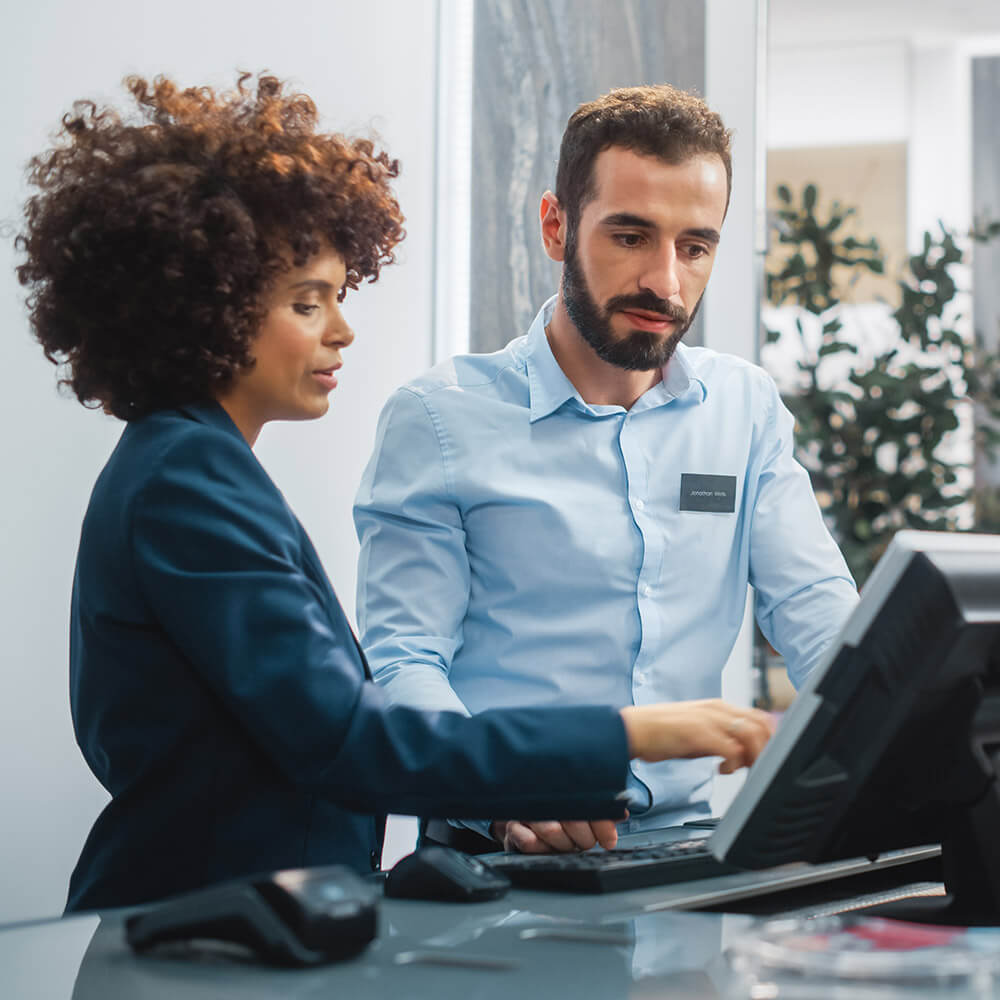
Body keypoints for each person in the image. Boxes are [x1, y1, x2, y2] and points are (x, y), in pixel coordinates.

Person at [16, 74, 774, 912]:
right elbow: (354, 740)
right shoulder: (184, 482)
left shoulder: (198, 466)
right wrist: (637, 733)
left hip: (249, 926)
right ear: (208, 306)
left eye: (339, 296)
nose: (341, 329)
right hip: (189, 937)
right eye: (308, 303)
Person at [354, 84, 858, 855]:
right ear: (556, 227)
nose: (667, 282)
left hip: (692, 844)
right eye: (630, 236)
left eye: (695, 246)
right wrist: (495, 792)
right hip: (498, 849)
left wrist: (898, 725)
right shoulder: (438, 418)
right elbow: (404, 660)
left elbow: (820, 614)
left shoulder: (744, 409)